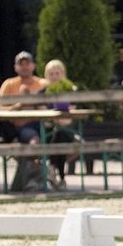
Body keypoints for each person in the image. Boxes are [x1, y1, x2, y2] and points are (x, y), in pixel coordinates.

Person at [0, 50, 47, 191]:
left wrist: (31, 101)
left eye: (27, 63)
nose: (24, 67)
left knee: (61, 139)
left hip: (39, 124)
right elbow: (1, 109)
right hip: (16, 127)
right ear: (15, 67)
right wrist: (19, 105)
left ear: (33, 65)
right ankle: (36, 177)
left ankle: (35, 178)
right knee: (32, 141)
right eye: (21, 64)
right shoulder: (9, 84)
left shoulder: (42, 83)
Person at [40, 58, 79, 191]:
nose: (55, 77)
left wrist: (58, 119)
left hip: (67, 130)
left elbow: (72, 115)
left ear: (63, 74)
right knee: (59, 136)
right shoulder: (43, 92)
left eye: (57, 73)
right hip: (48, 131)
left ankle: (52, 169)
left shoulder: (70, 89)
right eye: (51, 74)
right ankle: (61, 178)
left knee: (61, 134)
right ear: (46, 76)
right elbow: (43, 116)